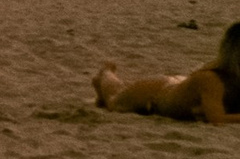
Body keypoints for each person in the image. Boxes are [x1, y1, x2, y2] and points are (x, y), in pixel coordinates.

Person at [94, 23, 238, 123]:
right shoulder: (211, 80)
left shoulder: (230, 75)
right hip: (155, 94)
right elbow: (217, 120)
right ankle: (105, 74)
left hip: (178, 85)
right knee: (113, 99)